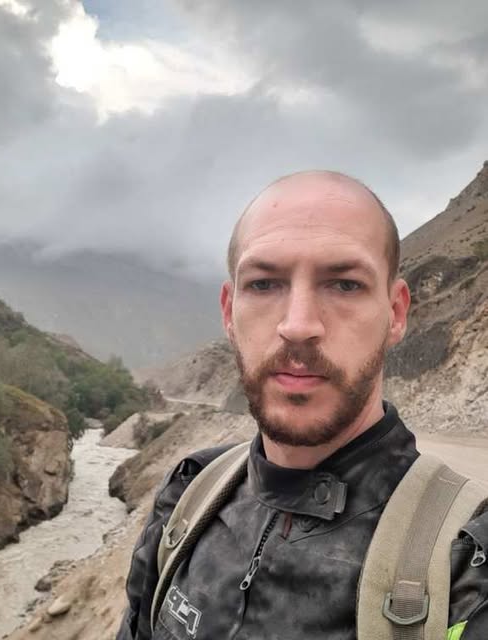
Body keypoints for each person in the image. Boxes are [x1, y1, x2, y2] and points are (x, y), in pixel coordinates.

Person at [117, 171, 488, 639]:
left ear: (395, 313)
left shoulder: (465, 562)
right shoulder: (187, 495)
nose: (298, 325)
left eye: (345, 284)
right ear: (229, 312)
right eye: (264, 284)